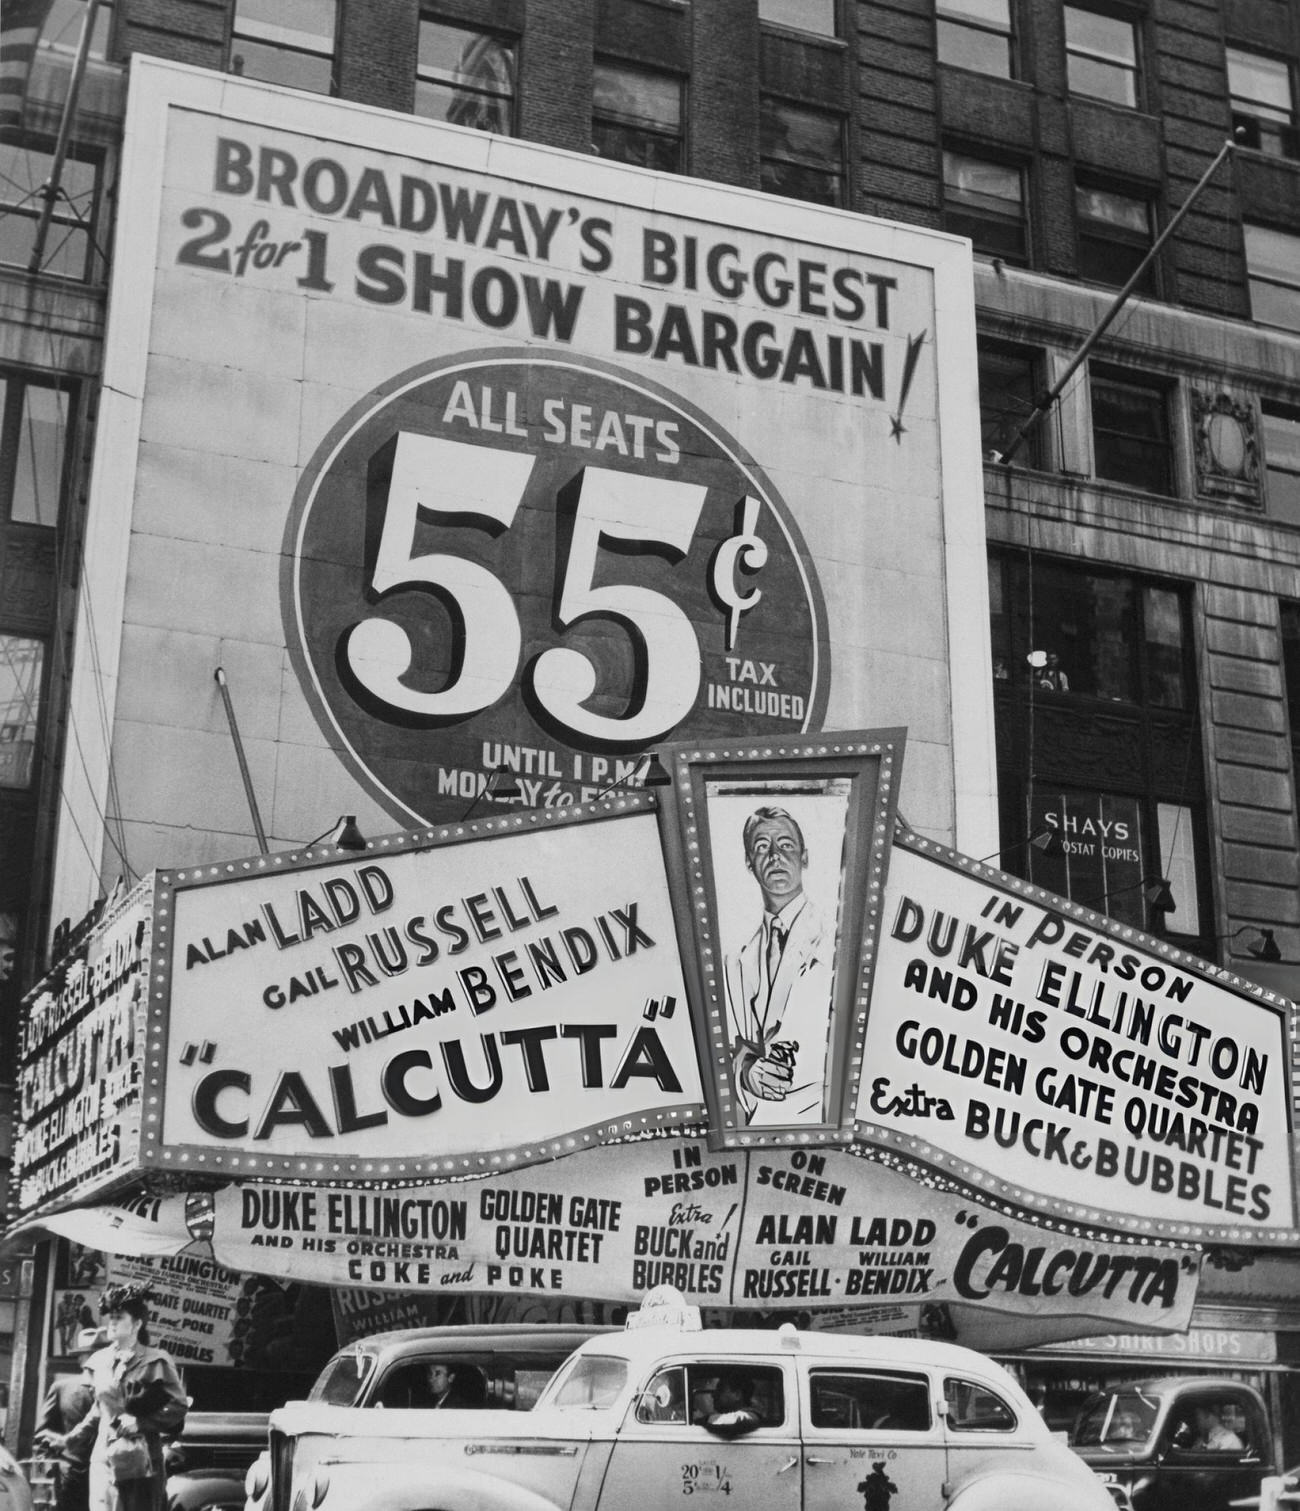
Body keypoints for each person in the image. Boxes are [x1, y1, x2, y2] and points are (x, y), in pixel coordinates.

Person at [723, 806, 832, 1125]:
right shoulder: (736, 958)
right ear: (749, 862)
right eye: (761, 847)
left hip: (822, 1127)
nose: (774, 856)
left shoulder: (837, 939)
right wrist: (746, 1073)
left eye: (786, 845)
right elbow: (724, 1042)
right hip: (760, 1128)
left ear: (805, 857)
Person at [52, 1284, 188, 1511]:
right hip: (104, 1459)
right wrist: (69, 1439)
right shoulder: (99, 1361)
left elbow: (178, 1406)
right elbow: (98, 1409)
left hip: (142, 1461)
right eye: (111, 1317)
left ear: (137, 1324)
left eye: (119, 1317)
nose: (112, 1322)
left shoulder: (157, 1361)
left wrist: (142, 1423)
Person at [35, 1327, 102, 1511]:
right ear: (81, 1360)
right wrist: (52, 1470)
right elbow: (42, 1434)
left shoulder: (117, 1392)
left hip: (107, 1476)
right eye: (90, 1355)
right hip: (70, 1477)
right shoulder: (62, 1388)